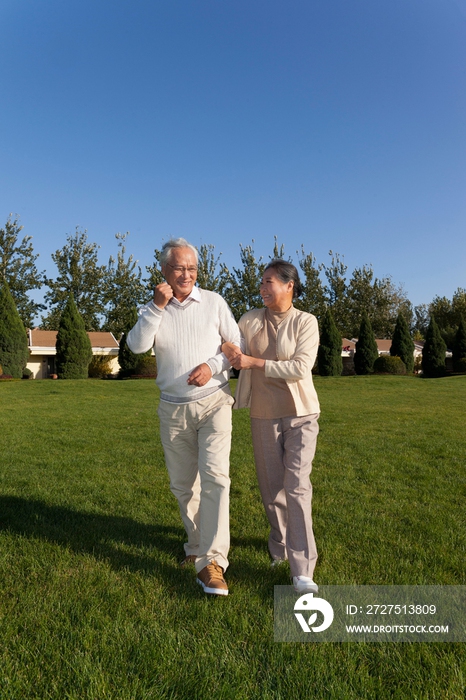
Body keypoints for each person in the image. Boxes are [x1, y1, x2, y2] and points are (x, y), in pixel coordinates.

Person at [127, 238, 241, 596]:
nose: (186, 274)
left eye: (192, 268)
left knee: (216, 478)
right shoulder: (153, 308)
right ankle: (195, 546)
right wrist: (156, 308)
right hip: (172, 408)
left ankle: (213, 562)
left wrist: (212, 365)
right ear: (164, 271)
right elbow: (136, 346)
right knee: (182, 487)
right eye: (179, 267)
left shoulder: (214, 302)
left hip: (214, 402)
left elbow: (237, 347)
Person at [223, 260, 321, 593]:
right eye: (261, 283)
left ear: (289, 285)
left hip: (301, 414)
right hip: (263, 414)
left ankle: (302, 568)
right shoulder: (249, 320)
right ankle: (279, 546)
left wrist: (252, 362)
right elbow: (227, 342)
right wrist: (229, 350)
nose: (263, 288)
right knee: (271, 490)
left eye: (269, 282)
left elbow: (300, 366)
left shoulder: (306, 322)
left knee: (296, 487)